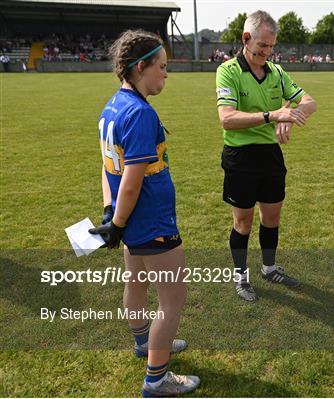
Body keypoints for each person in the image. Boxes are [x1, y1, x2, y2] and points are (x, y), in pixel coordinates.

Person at [88, 29, 200, 396]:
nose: (167, 74)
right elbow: (132, 183)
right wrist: (118, 221)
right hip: (150, 221)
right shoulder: (139, 114)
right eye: (162, 67)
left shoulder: (112, 106)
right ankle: (157, 378)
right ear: (140, 68)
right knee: (173, 300)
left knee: (135, 284)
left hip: (130, 219)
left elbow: (108, 170)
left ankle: (142, 344)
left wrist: (112, 214)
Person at [215, 10, 317, 302]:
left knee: (271, 218)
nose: (267, 52)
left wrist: (289, 117)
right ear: (246, 38)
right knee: (243, 222)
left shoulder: (276, 72)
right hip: (240, 157)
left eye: (272, 46)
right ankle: (241, 276)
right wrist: (273, 114)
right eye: (262, 46)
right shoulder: (228, 71)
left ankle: (270, 268)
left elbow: (310, 102)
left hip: (270, 156)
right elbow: (227, 119)